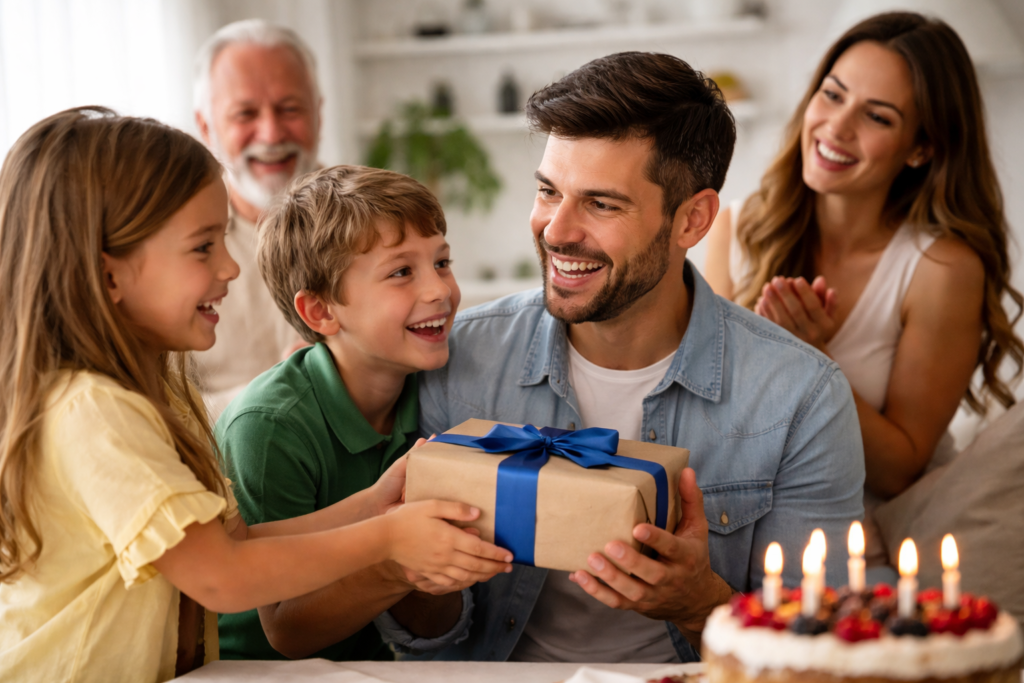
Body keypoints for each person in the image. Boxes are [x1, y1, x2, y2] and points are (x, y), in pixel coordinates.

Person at [375, 52, 866, 663]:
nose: (556, 230)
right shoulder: (459, 354)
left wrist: (695, 600)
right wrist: (413, 568)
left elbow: (818, 652)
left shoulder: (800, 396)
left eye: (602, 204)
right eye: (548, 191)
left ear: (693, 219)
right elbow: (427, 638)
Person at [0, 108, 512, 683]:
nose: (230, 266)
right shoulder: (94, 411)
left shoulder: (145, 393)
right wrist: (389, 538)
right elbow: (223, 576)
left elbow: (231, 541)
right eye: (202, 248)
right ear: (109, 275)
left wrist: (375, 501)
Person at [703, 12, 1023, 567]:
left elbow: (901, 468)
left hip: (867, 550)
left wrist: (811, 362)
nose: (836, 127)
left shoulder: (941, 267)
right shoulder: (736, 228)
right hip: (740, 538)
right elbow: (706, 421)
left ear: (920, 148)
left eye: (877, 116)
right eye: (832, 95)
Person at [216, 165, 487, 661]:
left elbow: (435, 619)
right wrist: (398, 556)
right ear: (321, 312)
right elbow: (285, 632)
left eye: (442, 262)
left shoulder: (437, 395)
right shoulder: (268, 427)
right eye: (402, 272)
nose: (440, 291)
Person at [192, 19, 321, 417]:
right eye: (245, 114)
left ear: (318, 112)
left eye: (290, 109)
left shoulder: (380, 222)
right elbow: (159, 410)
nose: (270, 134)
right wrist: (275, 392)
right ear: (206, 127)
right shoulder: (166, 247)